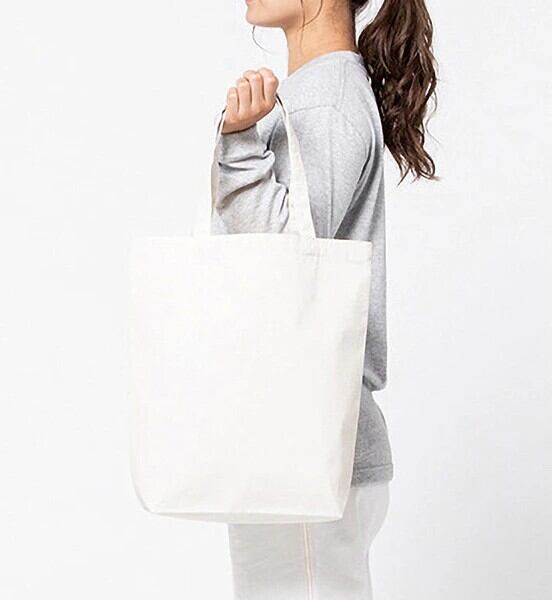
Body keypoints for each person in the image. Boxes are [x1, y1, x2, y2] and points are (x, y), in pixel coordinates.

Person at [213, 0, 438, 598]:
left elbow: (282, 261)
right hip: (300, 440)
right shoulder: (320, 90)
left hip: (306, 447)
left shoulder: (324, 100)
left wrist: (238, 146)